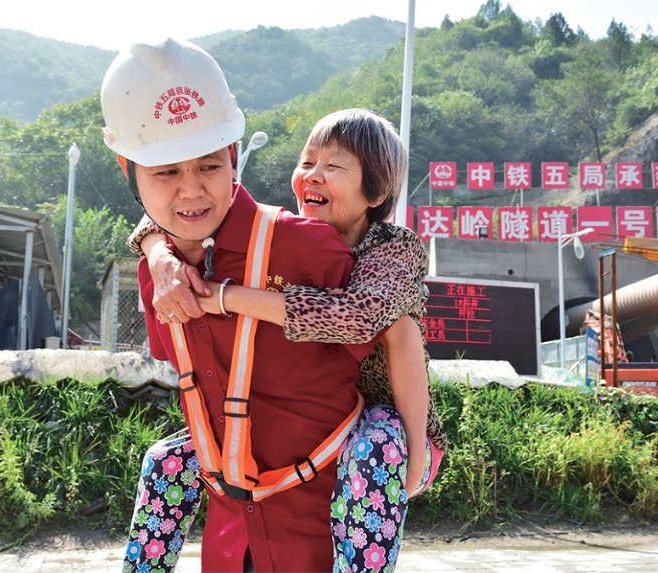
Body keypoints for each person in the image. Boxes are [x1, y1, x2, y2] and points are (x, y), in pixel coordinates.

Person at [128, 108, 448, 572]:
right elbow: (168, 220)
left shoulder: (391, 248)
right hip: (317, 413)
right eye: (307, 162)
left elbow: (362, 320)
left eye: (333, 167)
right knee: (165, 460)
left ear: (375, 191)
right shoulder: (290, 238)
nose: (312, 176)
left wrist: (224, 296)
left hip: (390, 419)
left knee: (371, 451)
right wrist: (158, 253)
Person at [103, 39, 375, 572]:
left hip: (321, 541)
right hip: (228, 541)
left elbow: (390, 334)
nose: (190, 192)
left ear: (232, 155)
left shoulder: (309, 249)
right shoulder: (154, 274)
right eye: (164, 173)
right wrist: (155, 248)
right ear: (127, 169)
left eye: (207, 166)